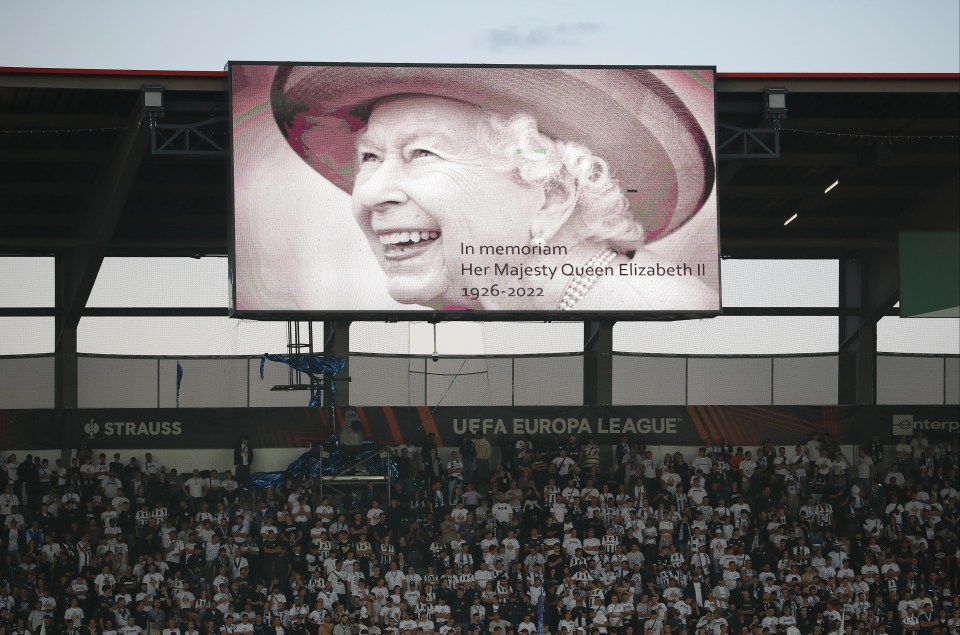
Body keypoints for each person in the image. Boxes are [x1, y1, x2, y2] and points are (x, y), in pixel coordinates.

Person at [246, 65, 717, 312]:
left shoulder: (663, 313)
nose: (370, 195)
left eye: (423, 154)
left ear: (551, 196)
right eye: (370, 158)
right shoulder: (518, 311)